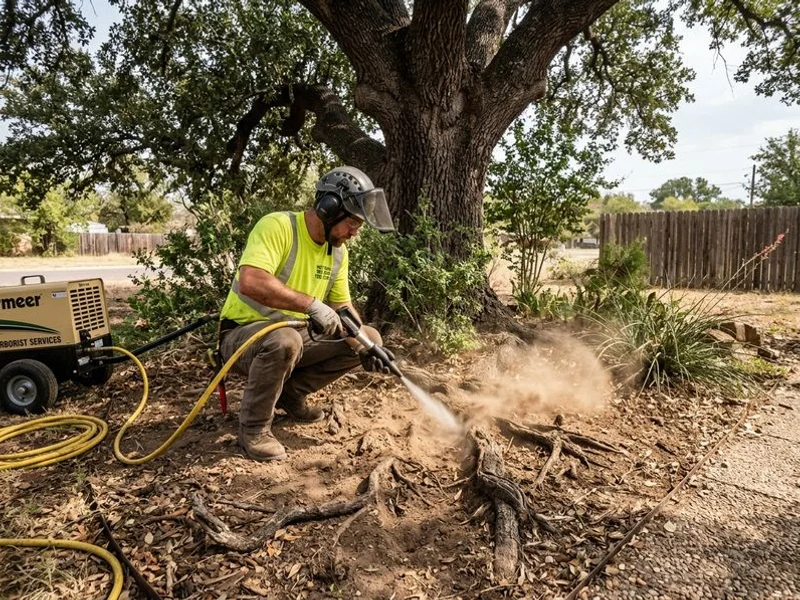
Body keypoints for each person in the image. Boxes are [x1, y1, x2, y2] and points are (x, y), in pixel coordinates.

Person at [218, 166, 397, 461]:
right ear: (329, 208)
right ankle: (253, 430)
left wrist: (368, 348)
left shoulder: (337, 251)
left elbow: (343, 308)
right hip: (242, 336)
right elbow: (251, 281)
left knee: (368, 336)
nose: (354, 233)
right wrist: (311, 305)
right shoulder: (278, 226)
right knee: (285, 341)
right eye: (352, 223)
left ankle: (290, 394)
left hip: (292, 335)